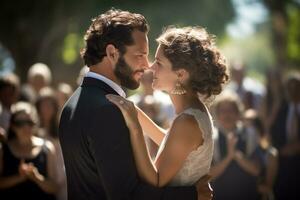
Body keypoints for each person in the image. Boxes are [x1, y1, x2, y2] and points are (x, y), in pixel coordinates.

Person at [58, 9, 212, 200]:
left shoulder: (71, 104)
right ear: (112, 53)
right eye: (140, 55)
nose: (147, 65)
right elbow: (127, 195)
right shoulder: (107, 111)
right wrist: (192, 194)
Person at [107, 26, 229, 186]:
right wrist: (134, 111)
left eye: (159, 62)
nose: (150, 67)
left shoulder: (187, 121)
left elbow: (155, 180)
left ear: (180, 74)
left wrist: (135, 127)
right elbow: (170, 143)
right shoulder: (193, 112)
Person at [0, 101, 58, 199]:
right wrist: (19, 177)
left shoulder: (47, 147)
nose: (26, 127)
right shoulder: (3, 149)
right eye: (20, 123)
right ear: (13, 126)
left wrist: (36, 177)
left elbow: (54, 187)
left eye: (29, 122)